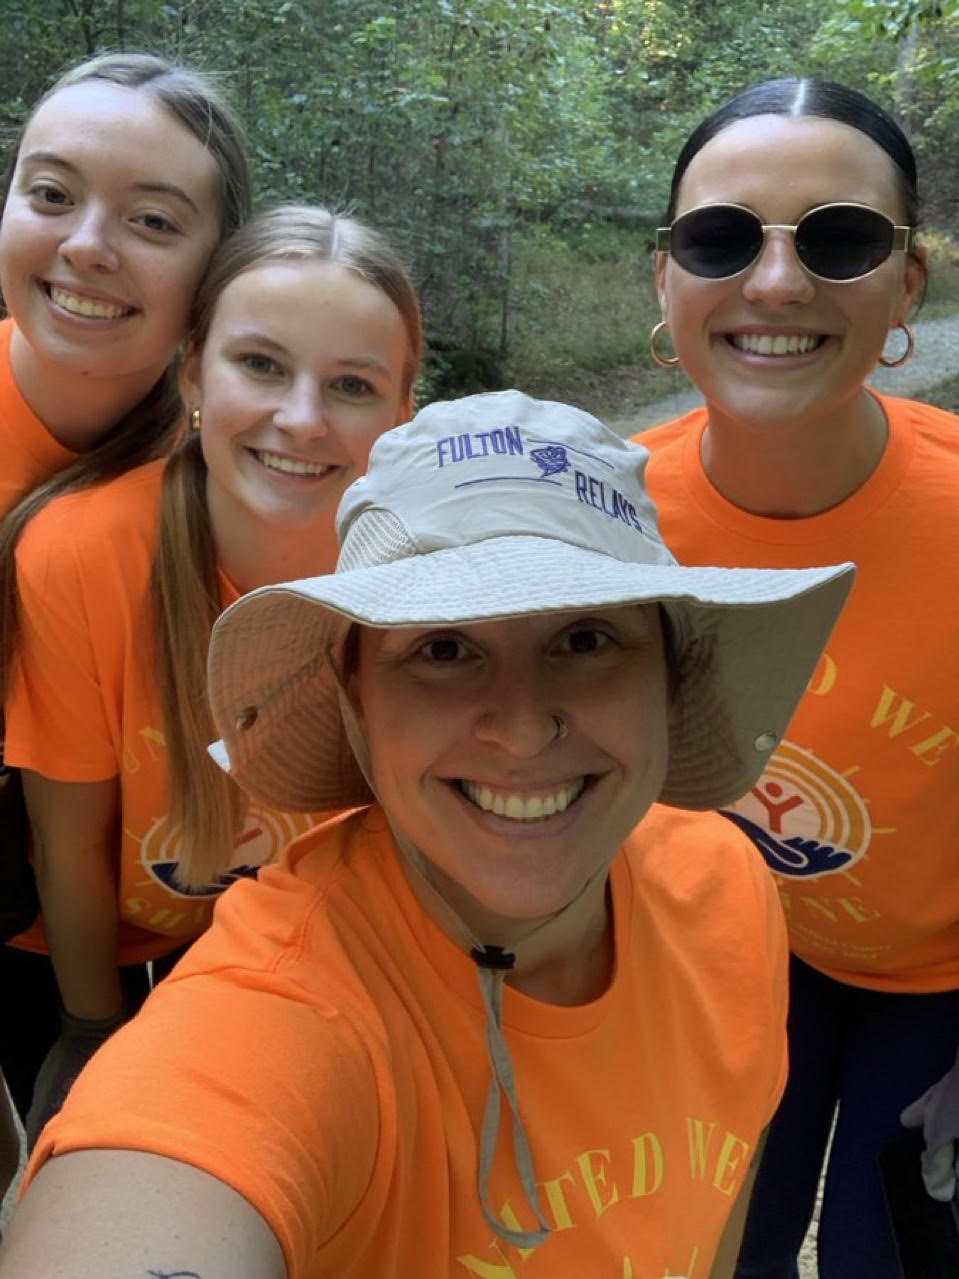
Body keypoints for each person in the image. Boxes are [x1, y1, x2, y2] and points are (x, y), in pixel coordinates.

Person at [0, 391, 853, 1277]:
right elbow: (166, 1172)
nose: (522, 729)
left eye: (586, 637)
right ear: (354, 697)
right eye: (443, 648)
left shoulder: (725, 888)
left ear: (669, 682)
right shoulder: (282, 1011)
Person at [0, 203, 422, 1150]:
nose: (302, 420)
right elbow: (67, 840)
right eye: (261, 365)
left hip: (290, 944)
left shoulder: (418, 578)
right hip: (94, 941)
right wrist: (90, 1030)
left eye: (352, 384)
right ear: (192, 369)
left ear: (403, 411)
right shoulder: (79, 554)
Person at [639, 76, 959, 1278]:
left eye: (839, 239)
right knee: (724, 1243)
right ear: (662, 276)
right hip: (730, 946)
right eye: (721, 238)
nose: (775, 283)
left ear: (904, 286)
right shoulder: (606, 514)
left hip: (936, 981)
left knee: (892, 1250)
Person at [0, 46, 251, 1207]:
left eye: (150, 219)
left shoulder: (250, 468)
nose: (86, 245)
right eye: (49, 194)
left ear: (214, 275)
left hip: (192, 927)